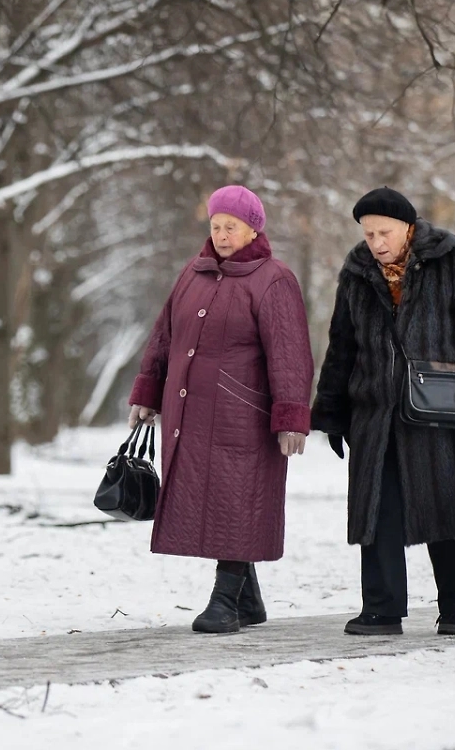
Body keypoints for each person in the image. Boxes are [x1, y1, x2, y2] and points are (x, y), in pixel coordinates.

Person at [311, 186, 455, 636]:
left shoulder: (450, 258)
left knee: (448, 508)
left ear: (408, 226)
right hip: (377, 412)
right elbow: (342, 344)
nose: (377, 242)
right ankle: (382, 609)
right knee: (378, 513)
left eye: (384, 232)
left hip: (443, 409)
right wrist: (330, 409)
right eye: (368, 234)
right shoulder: (357, 270)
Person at [128, 184, 314, 634]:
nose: (223, 233)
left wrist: (292, 418)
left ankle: (225, 601)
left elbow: (290, 354)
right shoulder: (192, 274)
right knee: (210, 501)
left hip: (243, 417)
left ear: (253, 230)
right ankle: (247, 601)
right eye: (216, 226)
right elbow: (163, 337)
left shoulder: (275, 279)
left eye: (232, 226)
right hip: (189, 414)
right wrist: (146, 393)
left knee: (237, 501)